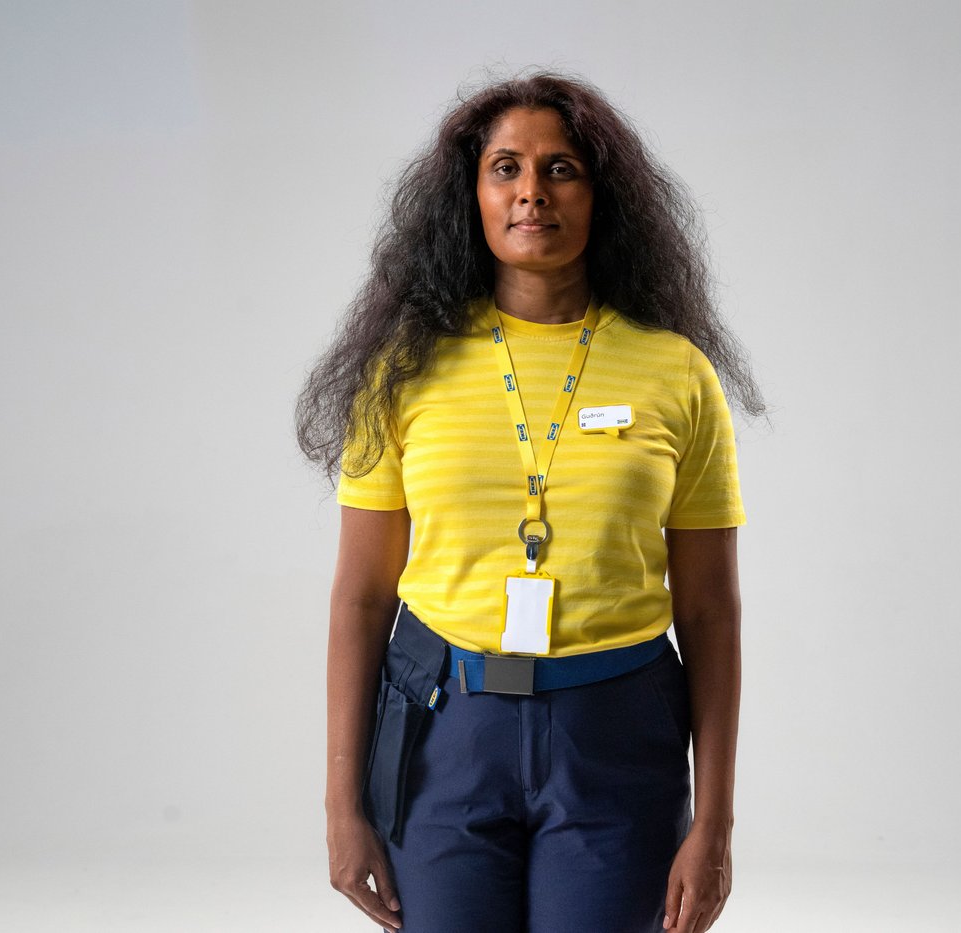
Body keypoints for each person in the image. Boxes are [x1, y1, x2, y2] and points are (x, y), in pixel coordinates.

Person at [295, 71, 764, 933]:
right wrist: (340, 805)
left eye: (562, 169)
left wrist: (716, 822)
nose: (531, 193)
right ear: (469, 194)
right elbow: (361, 598)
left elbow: (709, 610)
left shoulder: (675, 373)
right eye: (505, 168)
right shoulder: (404, 370)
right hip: (443, 730)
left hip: (615, 731)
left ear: (602, 194)